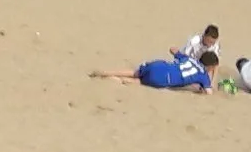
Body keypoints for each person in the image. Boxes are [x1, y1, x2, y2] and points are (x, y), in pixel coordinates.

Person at [91, 50, 219, 93]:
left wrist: (178, 53)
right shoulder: (203, 76)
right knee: (138, 82)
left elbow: (173, 49)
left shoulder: (189, 58)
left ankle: (107, 72)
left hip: (159, 64)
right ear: (210, 67)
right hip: (163, 78)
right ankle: (113, 79)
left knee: (135, 72)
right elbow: (209, 92)